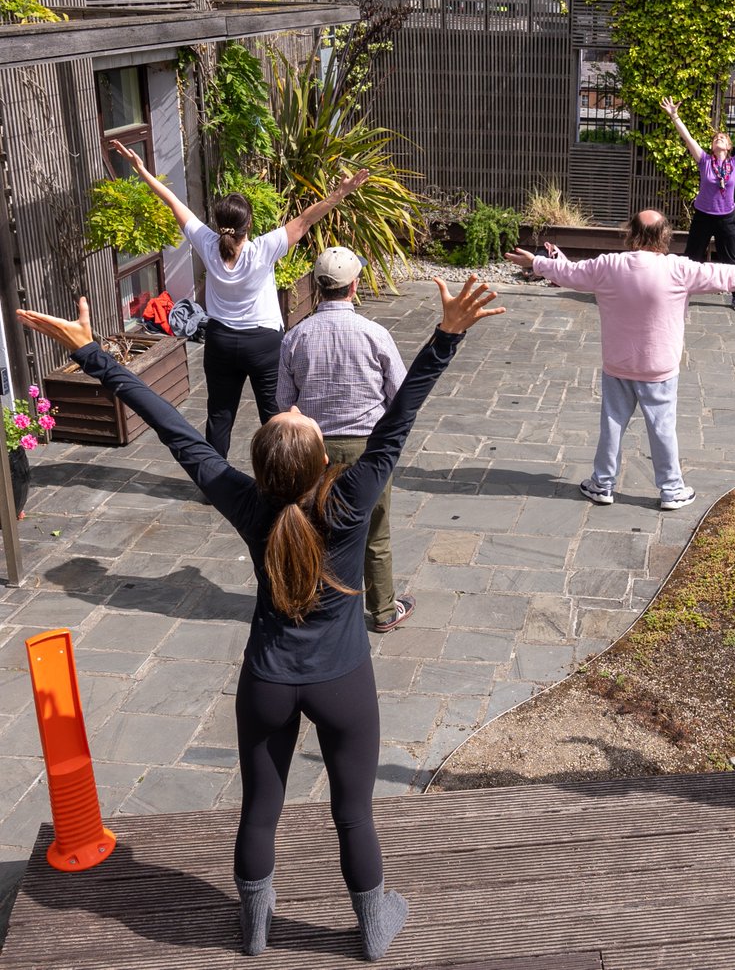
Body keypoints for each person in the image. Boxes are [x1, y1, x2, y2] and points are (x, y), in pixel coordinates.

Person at [17, 278, 504, 959]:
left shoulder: (248, 503)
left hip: (266, 681)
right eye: (296, 418)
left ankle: (254, 924)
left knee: (260, 807)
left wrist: (97, 355)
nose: (297, 409)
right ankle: (372, 926)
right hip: (343, 682)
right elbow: (399, 417)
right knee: (353, 813)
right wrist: (446, 334)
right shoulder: (353, 498)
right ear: (319, 459)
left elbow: (175, 429)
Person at [505, 210, 735, 509]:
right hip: (659, 368)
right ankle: (671, 491)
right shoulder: (678, 269)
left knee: (612, 425)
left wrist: (536, 262)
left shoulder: (608, 265)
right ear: (664, 236)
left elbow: (570, 273)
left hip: (617, 364)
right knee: (662, 428)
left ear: (630, 233)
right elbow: (724, 275)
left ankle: (602, 485)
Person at [108, 138, 369, 457]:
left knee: (220, 416)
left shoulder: (207, 243)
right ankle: (280, 480)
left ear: (220, 224)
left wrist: (141, 169)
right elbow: (306, 219)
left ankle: (214, 484)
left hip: (220, 342)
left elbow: (172, 201)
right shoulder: (263, 249)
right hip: (263, 345)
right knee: (273, 418)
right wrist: (341, 192)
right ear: (249, 224)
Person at [276, 246, 412, 634]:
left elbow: (284, 403)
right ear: (354, 286)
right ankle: (383, 609)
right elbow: (400, 395)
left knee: (313, 527)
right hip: (367, 448)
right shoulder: (375, 334)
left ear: (317, 287)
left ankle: (314, 602)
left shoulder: (295, 337)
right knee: (375, 528)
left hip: (312, 449)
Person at [660, 95, 735, 313]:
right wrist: (675, 116)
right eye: (716, 138)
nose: (719, 140)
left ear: (728, 146)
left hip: (726, 217)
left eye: (723, 139)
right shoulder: (705, 161)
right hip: (703, 216)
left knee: (730, 259)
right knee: (692, 256)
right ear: (712, 145)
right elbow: (688, 138)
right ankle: (681, 291)